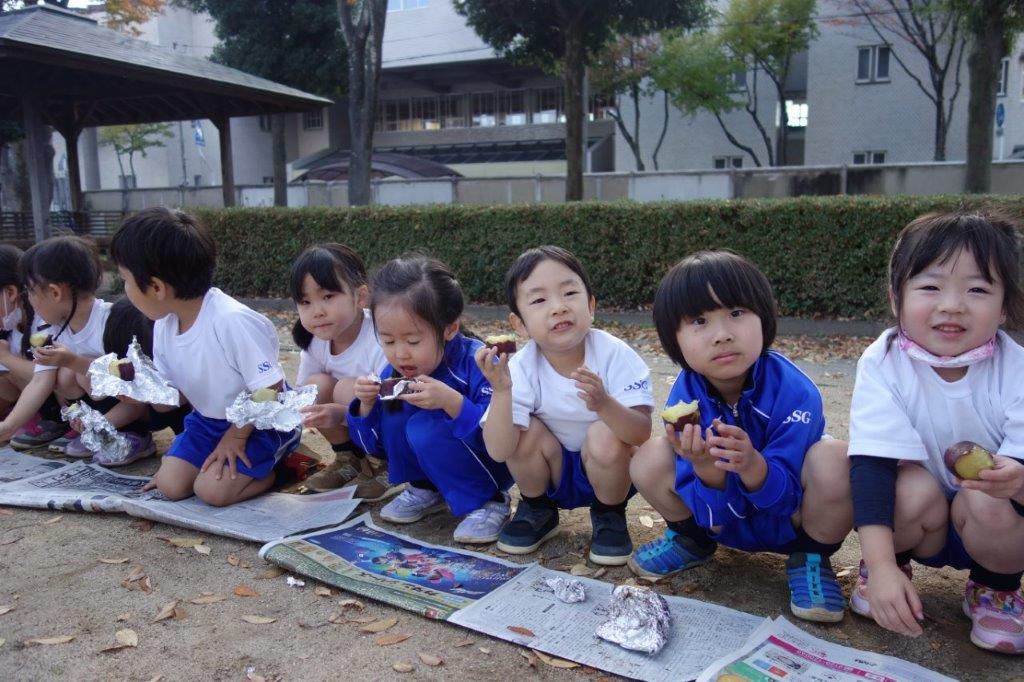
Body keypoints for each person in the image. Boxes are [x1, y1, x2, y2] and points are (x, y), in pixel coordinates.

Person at [627, 251, 851, 623]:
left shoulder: (796, 392)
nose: (723, 334)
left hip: (789, 521)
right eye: (700, 320)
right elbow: (713, 511)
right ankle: (692, 541)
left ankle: (810, 559)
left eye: (736, 313)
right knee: (650, 456)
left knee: (836, 459)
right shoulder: (685, 397)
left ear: (764, 317)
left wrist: (752, 465)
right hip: (719, 521)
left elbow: (784, 501)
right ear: (674, 341)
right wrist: (702, 465)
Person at [848, 212, 1024, 653]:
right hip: (917, 520)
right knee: (905, 486)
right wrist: (881, 564)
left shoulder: (1016, 368)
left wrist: (1017, 482)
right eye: (930, 287)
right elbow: (870, 466)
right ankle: (892, 573)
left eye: (978, 289)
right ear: (896, 298)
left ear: (1005, 306)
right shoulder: (883, 361)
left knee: (989, 497)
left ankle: (995, 589)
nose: (952, 305)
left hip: (990, 526)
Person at [110, 207, 298, 506]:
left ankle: (284, 468)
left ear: (156, 287)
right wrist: (137, 393)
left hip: (262, 423)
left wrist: (236, 438)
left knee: (212, 492)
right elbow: (175, 397)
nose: (125, 290)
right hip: (208, 422)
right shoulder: (165, 325)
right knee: (171, 485)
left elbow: (270, 389)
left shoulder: (230, 321)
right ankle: (235, 467)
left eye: (126, 280)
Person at [478, 246, 653, 566]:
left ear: (591, 305)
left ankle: (609, 514)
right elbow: (499, 451)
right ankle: (537, 508)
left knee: (606, 433)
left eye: (570, 293)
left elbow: (641, 433)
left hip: (608, 472)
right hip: (552, 470)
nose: (558, 308)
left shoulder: (615, 355)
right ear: (519, 324)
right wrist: (501, 392)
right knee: (521, 432)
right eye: (539, 300)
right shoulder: (520, 367)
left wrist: (604, 404)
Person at [346, 255, 513, 544]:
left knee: (425, 426)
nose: (400, 353)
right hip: (433, 463)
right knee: (396, 412)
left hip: (490, 470)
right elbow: (373, 447)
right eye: (387, 341)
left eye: (412, 341)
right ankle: (425, 488)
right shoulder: (394, 373)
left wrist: (453, 403)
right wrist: (365, 406)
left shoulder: (478, 363)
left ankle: (489, 501)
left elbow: (499, 443)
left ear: (449, 328)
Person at [288, 243, 390, 498]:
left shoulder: (381, 335)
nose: (317, 311)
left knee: (348, 389)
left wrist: (342, 413)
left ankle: (388, 466)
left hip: (387, 423)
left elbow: (395, 402)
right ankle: (348, 459)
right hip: (354, 422)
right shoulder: (315, 341)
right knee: (314, 388)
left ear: (361, 296)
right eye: (305, 301)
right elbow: (304, 395)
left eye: (328, 297)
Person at [0, 244, 63, 446]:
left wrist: (5, 358)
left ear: (10, 292)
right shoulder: (9, 325)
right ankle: (28, 415)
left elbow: (45, 374)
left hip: (61, 395)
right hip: (30, 390)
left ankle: (57, 420)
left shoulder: (42, 319)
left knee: (62, 374)